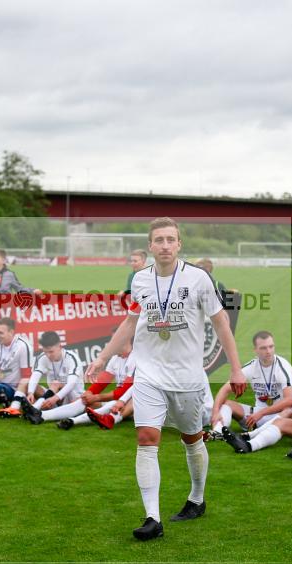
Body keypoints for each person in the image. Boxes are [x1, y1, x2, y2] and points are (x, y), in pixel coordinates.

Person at [86, 216, 247, 541]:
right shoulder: (141, 281)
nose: (164, 245)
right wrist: (103, 358)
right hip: (148, 375)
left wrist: (236, 368)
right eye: (158, 240)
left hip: (187, 377)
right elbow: (130, 324)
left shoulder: (199, 279)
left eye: (170, 239)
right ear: (150, 246)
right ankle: (152, 518)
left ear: (179, 244)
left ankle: (197, 499)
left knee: (192, 439)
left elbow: (221, 325)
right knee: (146, 438)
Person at [210, 330, 292, 439]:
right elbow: (224, 390)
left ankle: (254, 434)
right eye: (263, 348)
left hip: (279, 417)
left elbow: (291, 399)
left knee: (289, 411)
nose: (268, 351)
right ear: (255, 350)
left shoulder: (283, 367)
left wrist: (261, 413)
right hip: (255, 417)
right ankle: (218, 432)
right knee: (226, 404)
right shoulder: (252, 366)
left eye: (271, 346)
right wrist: (215, 413)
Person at [59, 334, 136, 430]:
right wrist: (89, 393)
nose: (111, 344)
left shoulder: (137, 357)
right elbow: (102, 382)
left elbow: (125, 391)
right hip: (120, 402)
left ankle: (74, 421)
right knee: (84, 402)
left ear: (125, 340)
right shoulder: (115, 358)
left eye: (115, 340)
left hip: (132, 404)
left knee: (111, 404)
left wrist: (96, 397)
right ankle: (43, 416)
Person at [17, 331, 85, 426]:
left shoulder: (72, 358)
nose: (48, 355)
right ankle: (30, 409)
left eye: (51, 351)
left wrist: (55, 398)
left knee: (57, 384)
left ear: (59, 346)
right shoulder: (42, 357)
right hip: (52, 395)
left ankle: (34, 409)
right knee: (28, 383)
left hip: (73, 397)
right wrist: (30, 392)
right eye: (45, 352)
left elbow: (71, 384)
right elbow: (35, 375)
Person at [0, 318, 32, 417]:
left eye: (1, 333)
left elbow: (26, 376)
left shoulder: (23, 346)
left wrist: (17, 401)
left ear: (11, 332)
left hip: (10, 387)